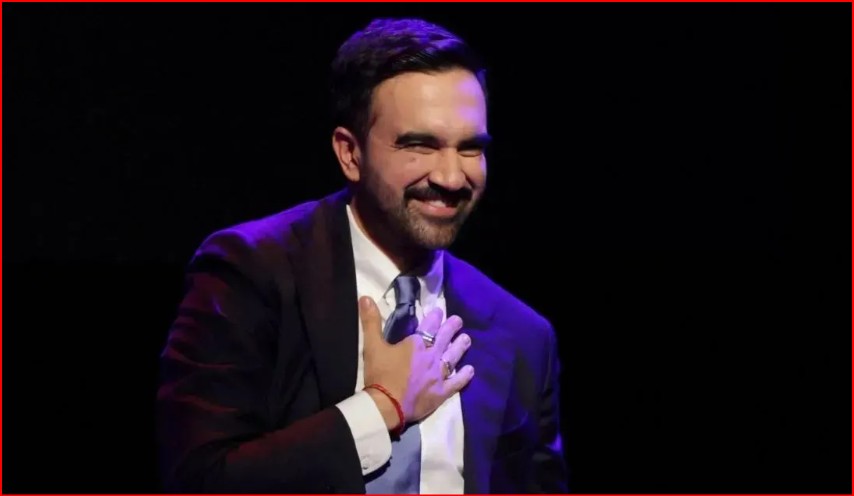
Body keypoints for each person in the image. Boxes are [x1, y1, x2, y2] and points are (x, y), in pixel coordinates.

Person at [156, 17, 568, 494]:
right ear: (350, 154)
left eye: (470, 149)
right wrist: (381, 407)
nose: (452, 178)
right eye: (420, 145)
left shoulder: (523, 335)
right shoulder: (251, 274)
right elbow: (199, 480)